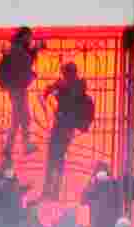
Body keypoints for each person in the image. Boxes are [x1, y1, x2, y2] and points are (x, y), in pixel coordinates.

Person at [42, 62, 92, 200]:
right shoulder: (71, 86)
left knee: (55, 159)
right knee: (54, 159)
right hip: (62, 126)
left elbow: (69, 100)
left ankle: (52, 192)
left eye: (64, 73)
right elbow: (47, 93)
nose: (63, 76)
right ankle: (50, 191)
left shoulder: (75, 86)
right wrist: (54, 88)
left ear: (69, 73)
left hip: (64, 127)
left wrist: (58, 88)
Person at [0, 27, 45, 158]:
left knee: (20, 118)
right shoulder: (17, 49)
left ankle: (15, 147)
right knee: (21, 118)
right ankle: (19, 147)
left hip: (17, 88)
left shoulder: (17, 47)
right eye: (29, 37)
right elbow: (24, 63)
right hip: (17, 88)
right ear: (24, 36)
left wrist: (35, 50)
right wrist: (30, 72)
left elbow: (24, 62)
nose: (31, 39)